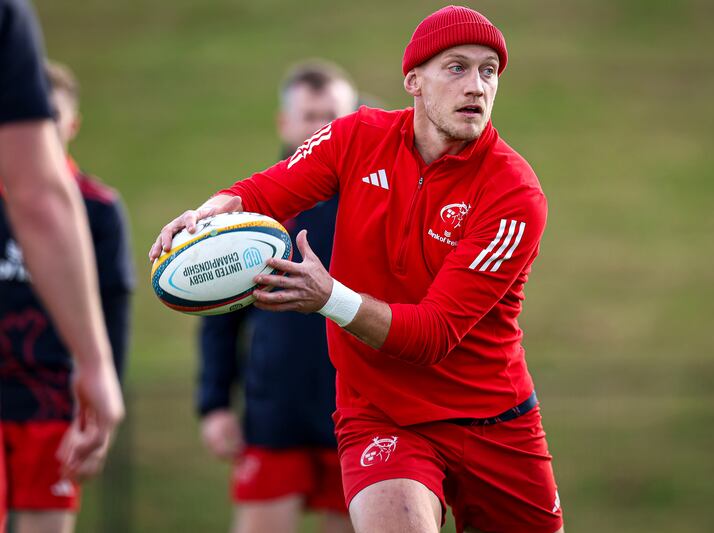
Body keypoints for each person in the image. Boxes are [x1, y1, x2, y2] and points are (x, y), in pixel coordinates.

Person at [151, 6, 563, 532]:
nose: (476, 86)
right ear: (413, 81)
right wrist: (205, 216)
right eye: (457, 68)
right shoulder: (357, 137)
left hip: (493, 420)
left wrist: (328, 297)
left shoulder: (513, 193)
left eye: (489, 71)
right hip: (382, 415)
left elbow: (433, 333)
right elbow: (265, 192)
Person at [197, 61, 357, 533]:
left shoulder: (373, 204)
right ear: (284, 123)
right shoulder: (251, 214)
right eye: (310, 116)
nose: (321, 128)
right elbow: (219, 318)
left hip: (357, 411)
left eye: (332, 117)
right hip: (274, 414)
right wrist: (214, 404)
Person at [0, 1, 125, 528]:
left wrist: (99, 367)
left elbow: (113, 302)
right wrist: (97, 369)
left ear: (71, 123)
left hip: (50, 397)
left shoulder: (96, 208)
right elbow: (40, 199)